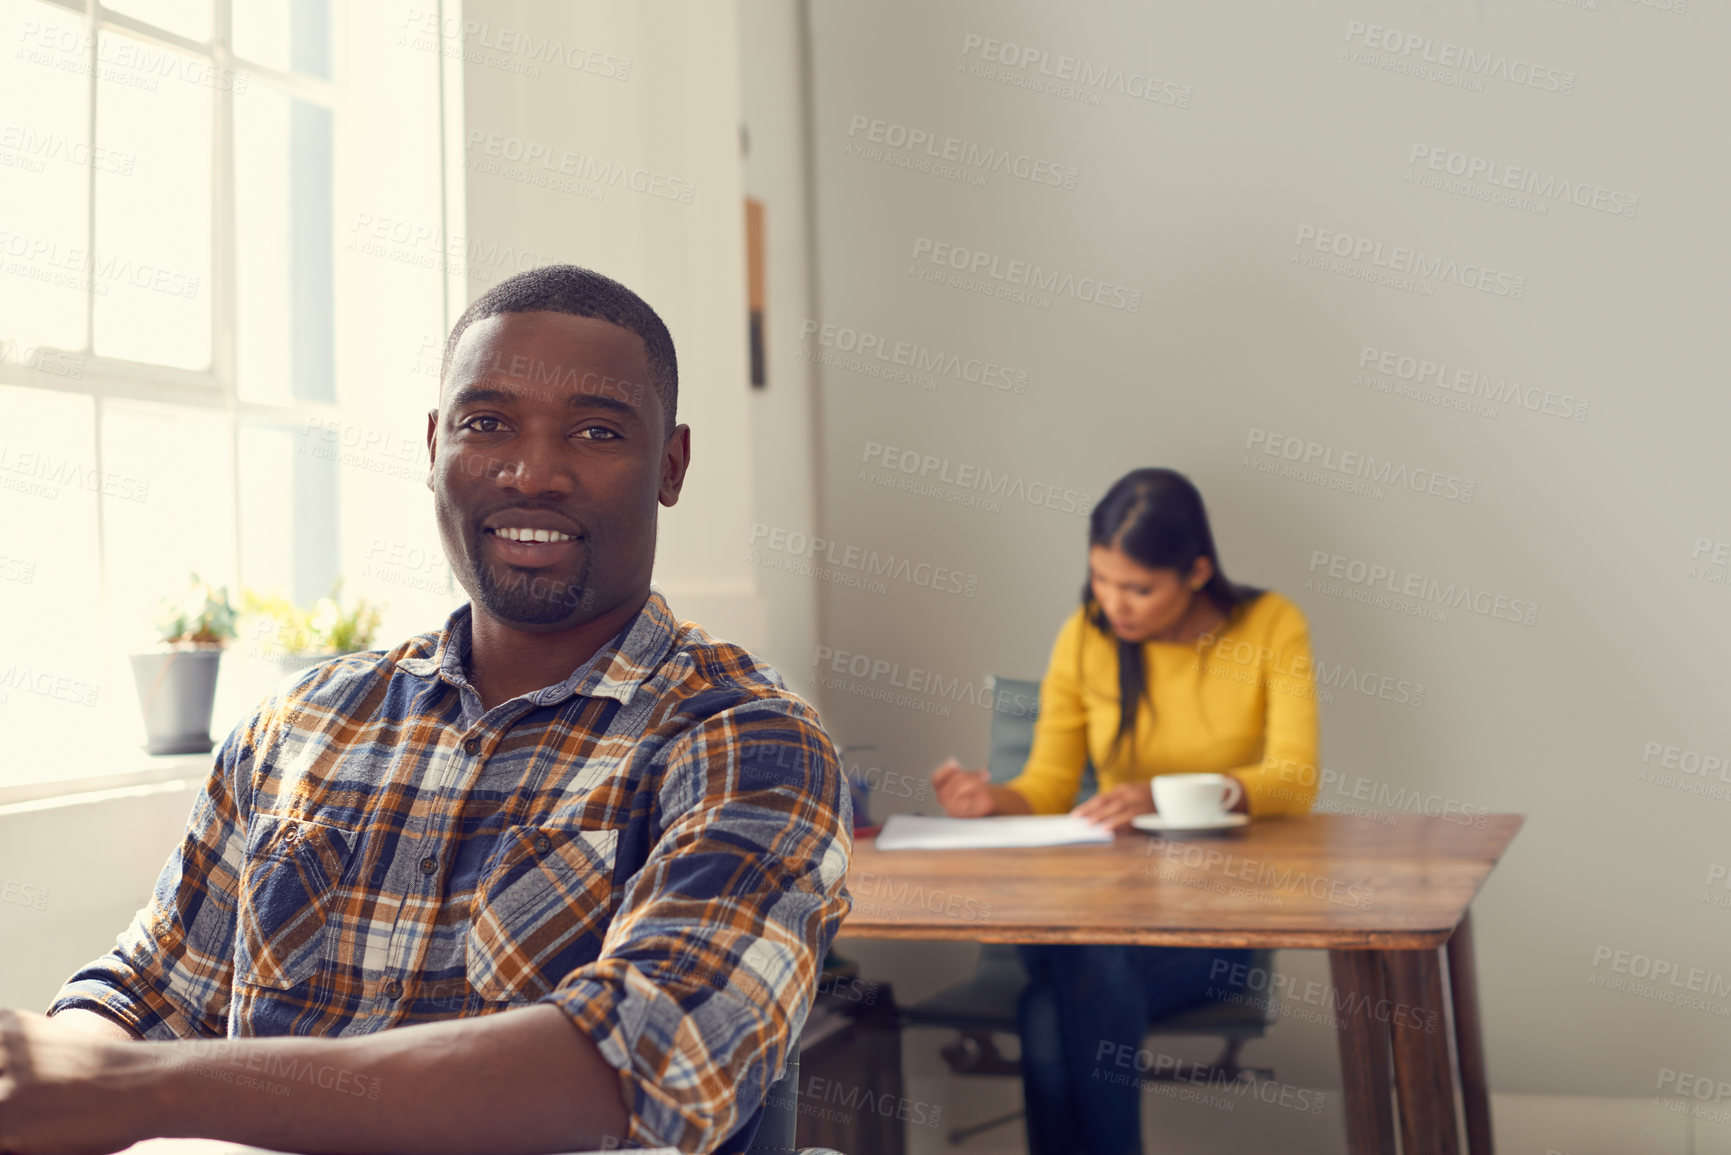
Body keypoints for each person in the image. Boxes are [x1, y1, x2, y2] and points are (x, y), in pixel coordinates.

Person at [0, 266, 853, 1155]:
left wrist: (133, 1092)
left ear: (669, 466)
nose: (534, 472)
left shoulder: (745, 740)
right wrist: (68, 1072)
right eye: (487, 424)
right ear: (435, 444)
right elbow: (148, 991)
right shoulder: (299, 722)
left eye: (596, 432)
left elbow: (637, 1059)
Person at [931, 467, 1319, 1155]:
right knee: (1087, 949)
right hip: (1101, 911)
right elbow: (1048, 787)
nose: (1115, 604)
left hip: (1211, 926)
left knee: (1049, 1008)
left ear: (1196, 571)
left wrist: (1165, 796)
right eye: (1102, 581)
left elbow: (1294, 777)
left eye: (1138, 587)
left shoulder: (1268, 624)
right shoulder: (1085, 636)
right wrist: (990, 799)